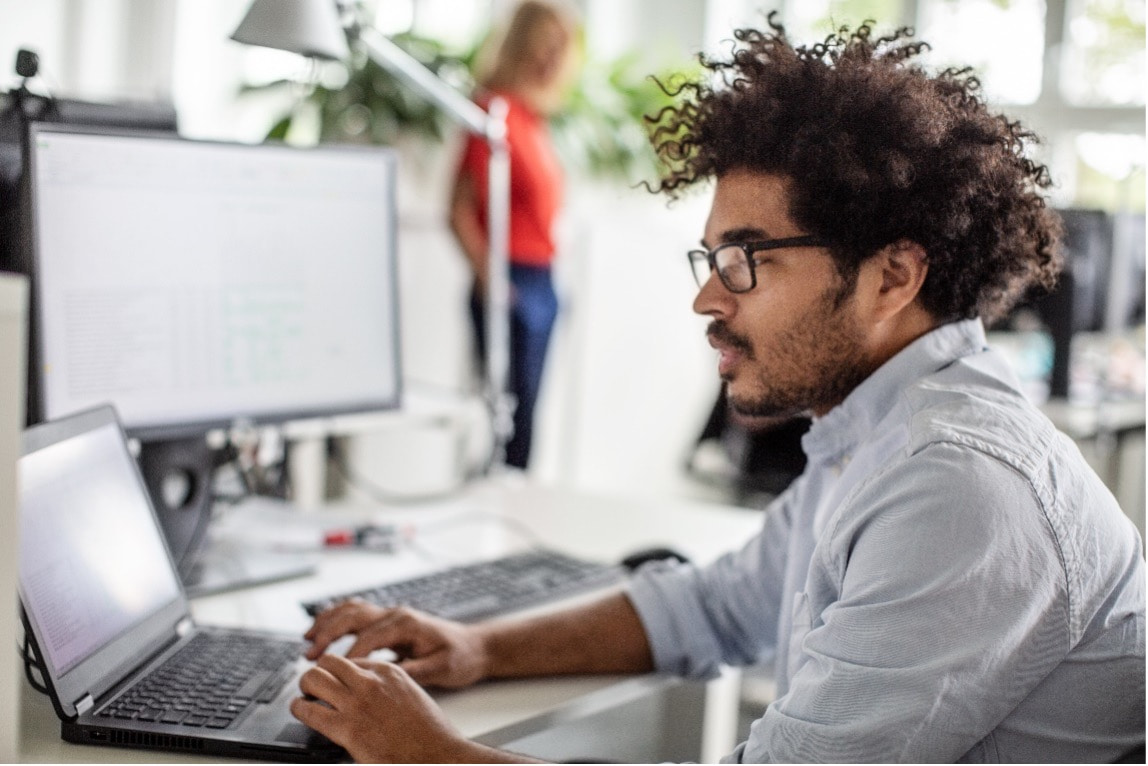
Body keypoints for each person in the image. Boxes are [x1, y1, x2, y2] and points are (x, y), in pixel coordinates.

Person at [290, 18, 1146, 763]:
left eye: (746, 260)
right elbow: (714, 607)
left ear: (891, 277)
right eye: (710, 259)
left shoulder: (959, 486)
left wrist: (432, 758)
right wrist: (476, 648)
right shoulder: (875, 432)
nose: (707, 296)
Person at [449, 0, 578, 469]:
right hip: (511, 280)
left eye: (558, 50)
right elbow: (458, 209)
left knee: (528, 425)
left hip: (543, 279)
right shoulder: (492, 112)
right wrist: (493, 282)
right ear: (520, 45)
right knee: (508, 425)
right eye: (543, 45)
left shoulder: (534, 119)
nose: (549, 58)